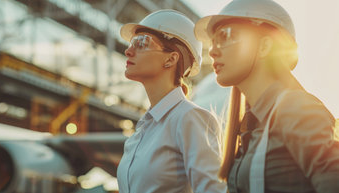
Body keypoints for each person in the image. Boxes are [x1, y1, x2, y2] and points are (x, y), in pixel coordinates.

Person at [194, 0, 339, 193]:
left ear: (264, 46)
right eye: (213, 41)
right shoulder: (249, 125)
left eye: (225, 35)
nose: (212, 51)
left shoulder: (296, 108)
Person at [116, 9, 226, 193]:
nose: (128, 51)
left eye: (141, 42)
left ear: (171, 58)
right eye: (131, 43)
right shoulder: (142, 130)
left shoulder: (189, 118)